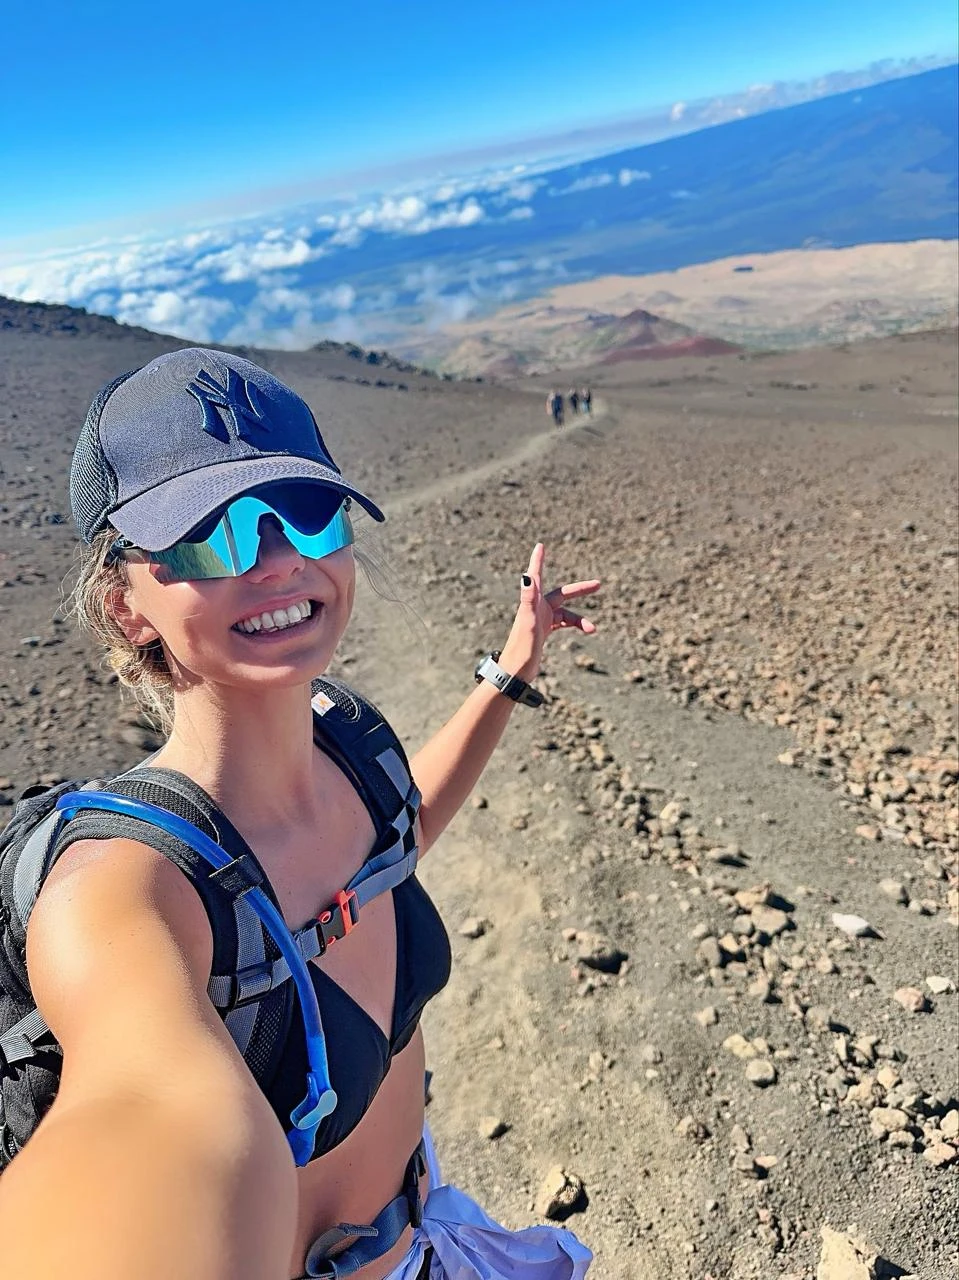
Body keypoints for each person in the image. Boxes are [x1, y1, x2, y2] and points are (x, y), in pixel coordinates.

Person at [0, 348, 599, 1280]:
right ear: (126, 607)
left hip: (429, 1234)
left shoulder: (350, 752)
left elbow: (396, 840)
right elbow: (144, 1112)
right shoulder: (124, 890)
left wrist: (511, 670)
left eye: (309, 516)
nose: (279, 561)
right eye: (210, 535)